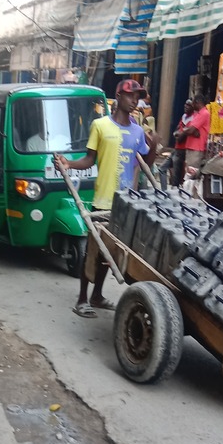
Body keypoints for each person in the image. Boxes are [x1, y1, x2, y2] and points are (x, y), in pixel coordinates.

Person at [55, 79, 159, 318]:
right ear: (119, 97)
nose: (135, 100)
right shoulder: (100, 126)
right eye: (131, 95)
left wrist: (153, 146)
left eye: (138, 96)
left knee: (108, 253)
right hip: (103, 201)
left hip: (126, 205)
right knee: (94, 251)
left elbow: (146, 165)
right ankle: (82, 298)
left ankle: (97, 296)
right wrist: (68, 164)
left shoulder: (137, 132)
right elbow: (89, 160)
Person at [157, 99, 193, 190]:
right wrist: (178, 134)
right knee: (162, 169)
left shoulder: (193, 120)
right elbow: (176, 132)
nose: (185, 106)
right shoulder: (184, 117)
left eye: (188, 105)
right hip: (176, 149)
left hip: (182, 151)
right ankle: (164, 191)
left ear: (193, 107)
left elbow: (180, 136)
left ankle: (173, 194)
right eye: (185, 104)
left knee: (176, 178)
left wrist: (179, 134)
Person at [176, 93, 211, 173]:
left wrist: (183, 132)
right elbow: (193, 131)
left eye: (193, 103)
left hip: (196, 148)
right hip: (191, 147)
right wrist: (188, 131)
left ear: (197, 102)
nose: (192, 105)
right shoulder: (197, 114)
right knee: (188, 172)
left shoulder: (204, 113)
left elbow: (191, 130)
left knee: (191, 173)